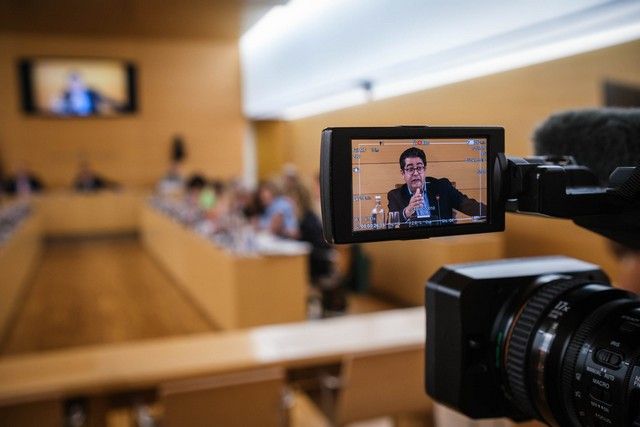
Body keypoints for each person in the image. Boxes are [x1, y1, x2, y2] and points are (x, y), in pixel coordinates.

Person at [387, 147, 485, 223]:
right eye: (410, 169)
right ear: (403, 173)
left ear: (424, 170)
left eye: (419, 168)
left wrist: (496, 213)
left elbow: (469, 206)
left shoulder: (442, 187)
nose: (416, 173)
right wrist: (407, 211)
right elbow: (391, 223)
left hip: (443, 240)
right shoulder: (395, 195)